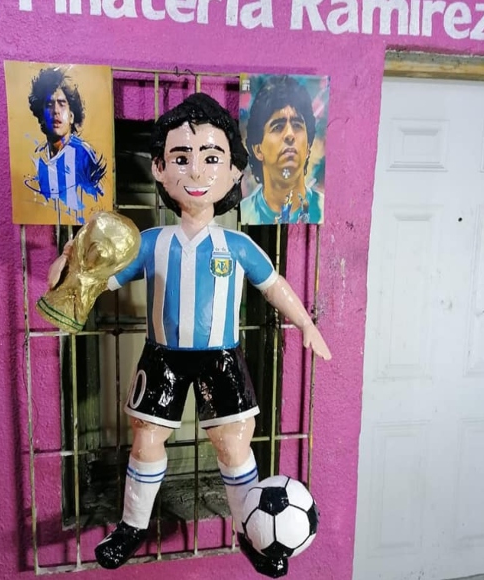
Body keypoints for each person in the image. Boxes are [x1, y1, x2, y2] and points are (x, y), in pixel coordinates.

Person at [47, 93, 331, 577]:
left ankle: (250, 529)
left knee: (234, 445)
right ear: (159, 169)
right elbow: (98, 280)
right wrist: (71, 263)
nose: (196, 171)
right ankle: (133, 525)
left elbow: (274, 285)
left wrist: (305, 323)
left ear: (235, 171)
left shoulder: (237, 245)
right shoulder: (150, 243)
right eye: (181, 158)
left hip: (222, 358)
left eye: (211, 158)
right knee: (146, 439)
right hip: (163, 357)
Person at [26, 66, 107, 224]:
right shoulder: (37, 158)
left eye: (62, 103)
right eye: (49, 104)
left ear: (71, 116)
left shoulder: (84, 154)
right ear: (41, 116)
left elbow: (100, 204)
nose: (56, 111)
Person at [239, 75, 323, 224]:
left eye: (297, 125)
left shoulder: (322, 210)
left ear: (308, 146)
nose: (290, 135)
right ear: (258, 149)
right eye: (278, 127)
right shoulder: (244, 215)